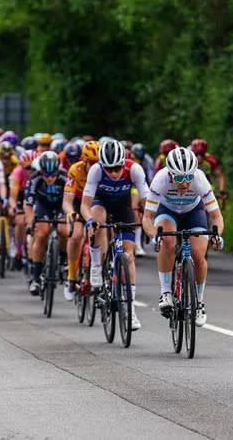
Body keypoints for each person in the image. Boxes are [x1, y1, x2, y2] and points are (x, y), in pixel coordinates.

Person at [142, 147, 224, 327]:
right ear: (170, 175)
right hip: (167, 211)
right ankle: (165, 293)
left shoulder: (200, 179)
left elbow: (216, 216)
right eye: (179, 178)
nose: (185, 182)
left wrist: (217, 235)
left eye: (188, 177)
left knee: (198, 254)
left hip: (193, 212)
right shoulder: (160, 180)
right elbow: (147, 218)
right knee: (167, 241)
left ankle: (199, 303)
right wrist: (154, 235)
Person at [81, 140, 149, 330]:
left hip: (123, 208)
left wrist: (148, 218)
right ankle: (96, 265)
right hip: (101, 204)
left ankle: (130, 310)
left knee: (128, 257)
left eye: (117, 168)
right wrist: (88, 220)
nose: (113, 172)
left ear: (124, 162)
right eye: (108, 169)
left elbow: (147, 198)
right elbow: (85, 204)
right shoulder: (96, 170)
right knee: (96, 222)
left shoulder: (134, 169)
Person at [24, 151, 68, 295]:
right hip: (43, 206)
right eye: (46, 175)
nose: (49, 178)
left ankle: (62, 260)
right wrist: (30, 222)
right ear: (40, 171)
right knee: (41, 233)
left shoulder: (65, 176)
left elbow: (70, 200)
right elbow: (28, 204)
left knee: (64, 231)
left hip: (61, 206)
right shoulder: (35, 178)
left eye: (53, 175)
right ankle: (36, 278)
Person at [62, 140, 99, 300]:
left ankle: (103, 268)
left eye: (97, 162)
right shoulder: (75, 170)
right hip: (78, 202)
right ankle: (71, 277)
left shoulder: (103, 171)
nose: (94, 166)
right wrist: (70, 212)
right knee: (76, 235)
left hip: (97, 202)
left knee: (106, 229)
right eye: (91, 162)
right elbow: (67, 200)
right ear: (84, 160)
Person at [9, 150, 36, 267]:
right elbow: (12, 197)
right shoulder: (17, 173)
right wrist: (14, 207)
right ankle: (18, 250)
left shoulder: (40, 173)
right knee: (20, 221)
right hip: (21, 195)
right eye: (27, 168)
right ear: (21, 166)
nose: (30, 171)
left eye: (33, 168)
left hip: (35, 196)